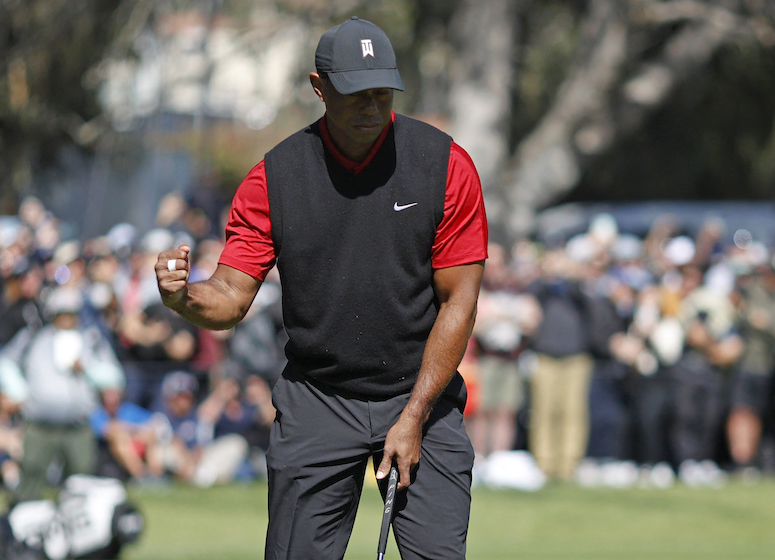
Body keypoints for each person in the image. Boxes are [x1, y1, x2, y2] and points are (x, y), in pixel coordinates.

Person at [155, 17, 487, 560]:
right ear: (319, 87)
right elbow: (232, 297)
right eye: (356, 94)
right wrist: (183, 297)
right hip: (319, 398)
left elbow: (460, 300)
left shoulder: (445, 166)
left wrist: (414, 415)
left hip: (422, 391)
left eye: (383, 92)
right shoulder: (273, 179)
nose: (372, 107)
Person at [0, 286, 124, 503]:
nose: (67, 319)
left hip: (77, 426)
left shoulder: (91, 339)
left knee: (81, 479)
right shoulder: (34, 337)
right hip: (40, 424)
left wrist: (88, 368)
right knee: (31, 474)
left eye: (72, 314)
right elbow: (6, 362)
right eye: (62, 314)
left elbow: (114, 375)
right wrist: (18, 391)